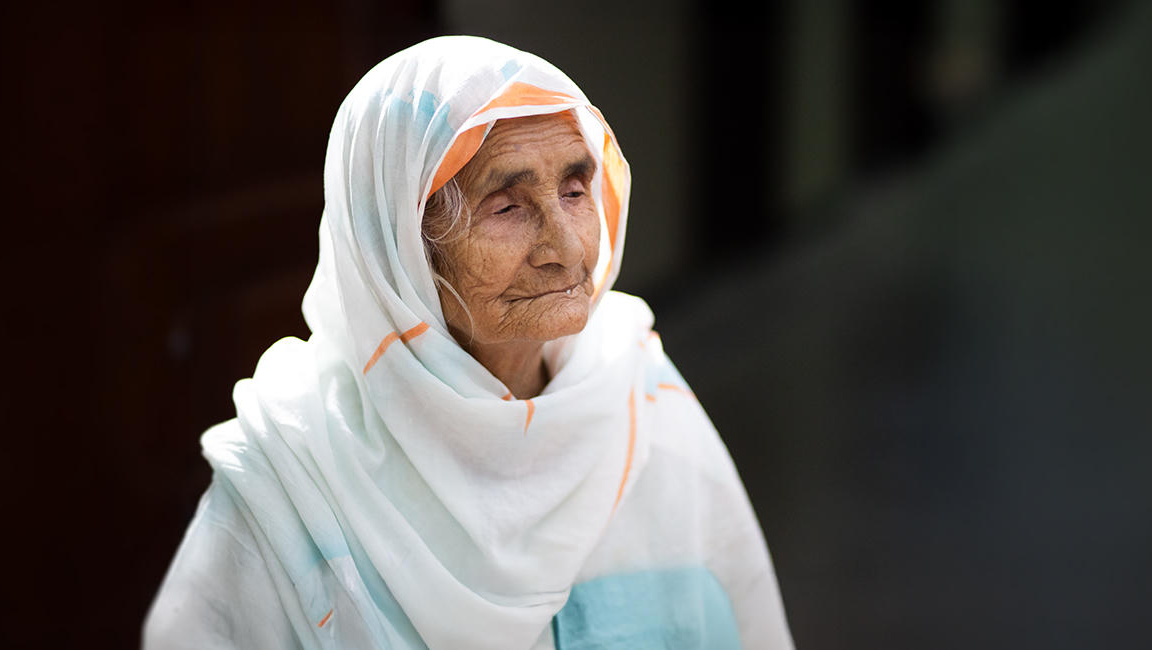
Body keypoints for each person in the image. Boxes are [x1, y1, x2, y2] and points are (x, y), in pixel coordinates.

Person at [143, 36, 793, 649]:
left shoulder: (645, 402)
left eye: (575, 190)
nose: (567, 248)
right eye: (506, 208)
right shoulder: (291, 475)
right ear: (395, 246)